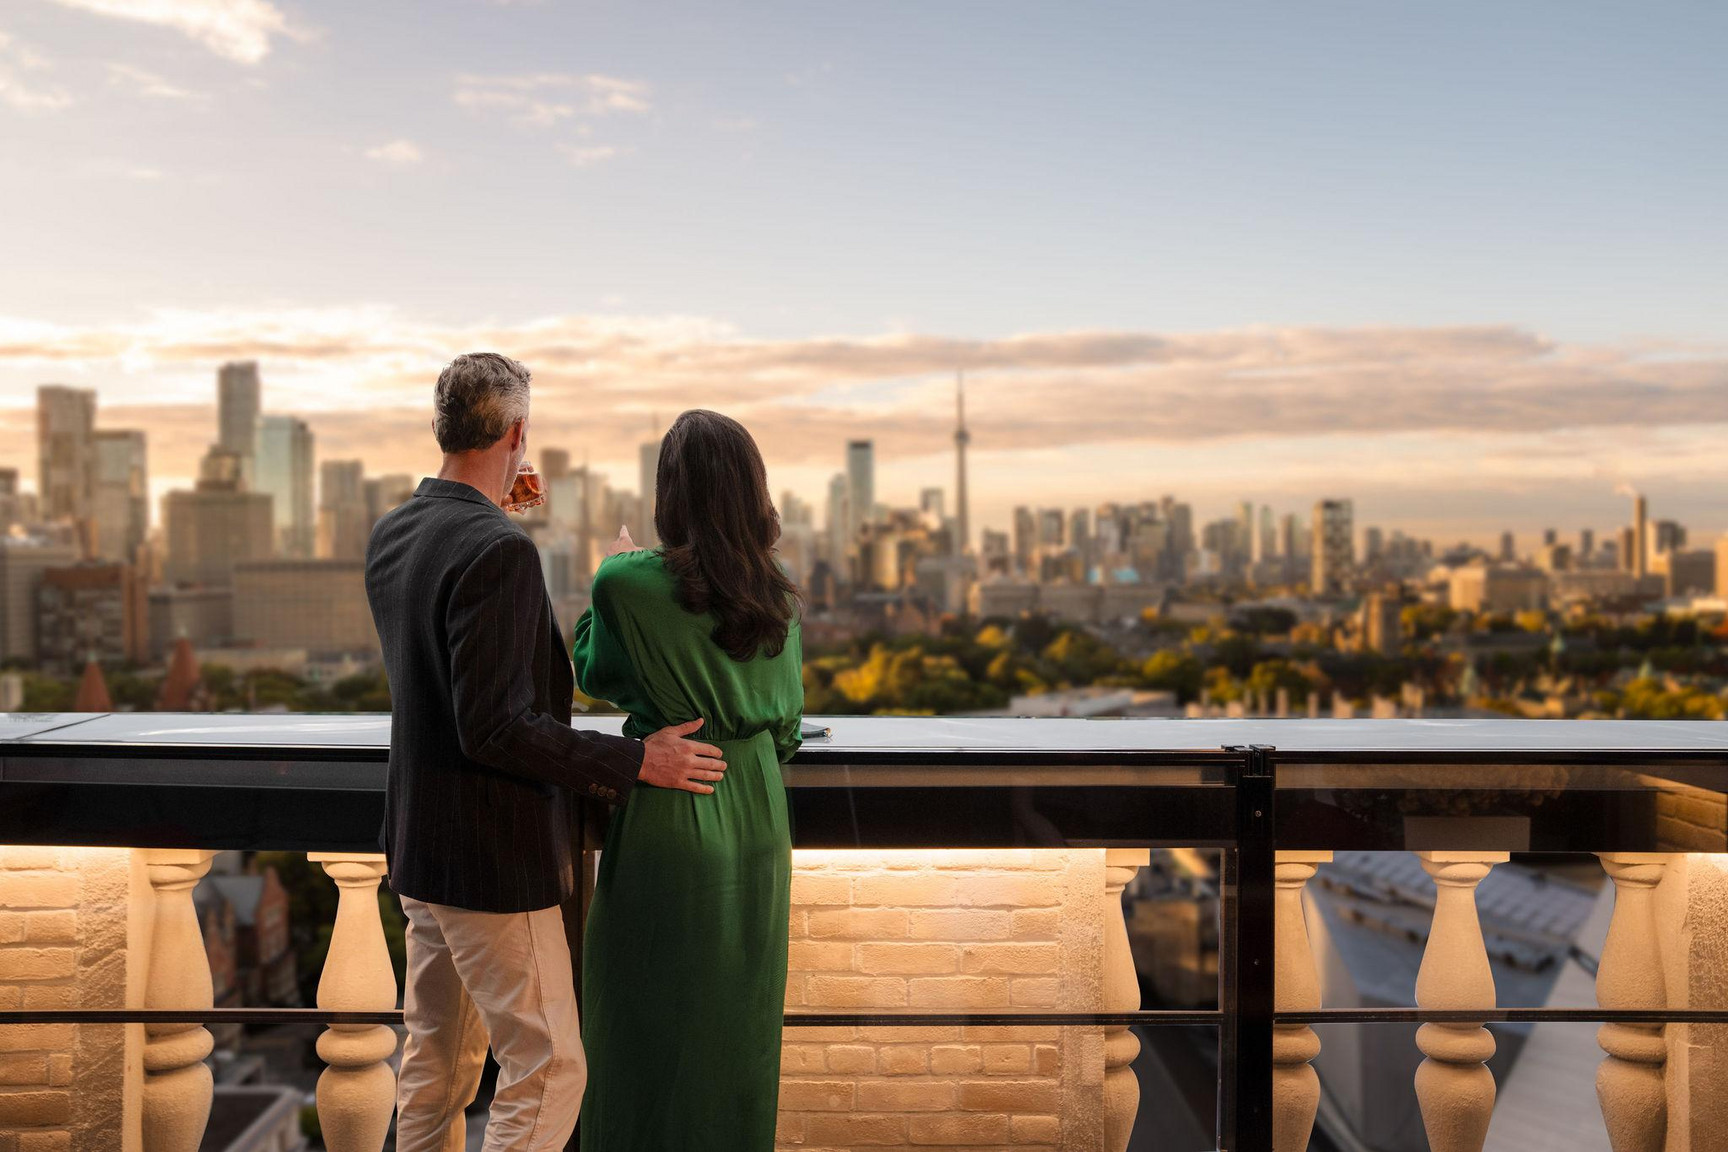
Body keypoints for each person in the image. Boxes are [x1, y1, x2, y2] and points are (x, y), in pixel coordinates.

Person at [365, 353, 728, 1152]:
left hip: (421, 851)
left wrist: (501, 511)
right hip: (491, 861)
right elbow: (494, 724)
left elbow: (445, 665)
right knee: (550, 1068)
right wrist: (639, 764)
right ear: (518, 431)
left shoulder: (397, 532)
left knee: (435, 1064)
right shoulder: (497, 549)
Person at [573, 409, 804, 1150]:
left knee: (642, 1029)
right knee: (738, 1038)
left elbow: (594, 670)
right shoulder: (778, 595)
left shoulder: (626, 582)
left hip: (676, 809)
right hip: (760, 820)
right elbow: (790, 730)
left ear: (671, 491)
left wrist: (610, 569)